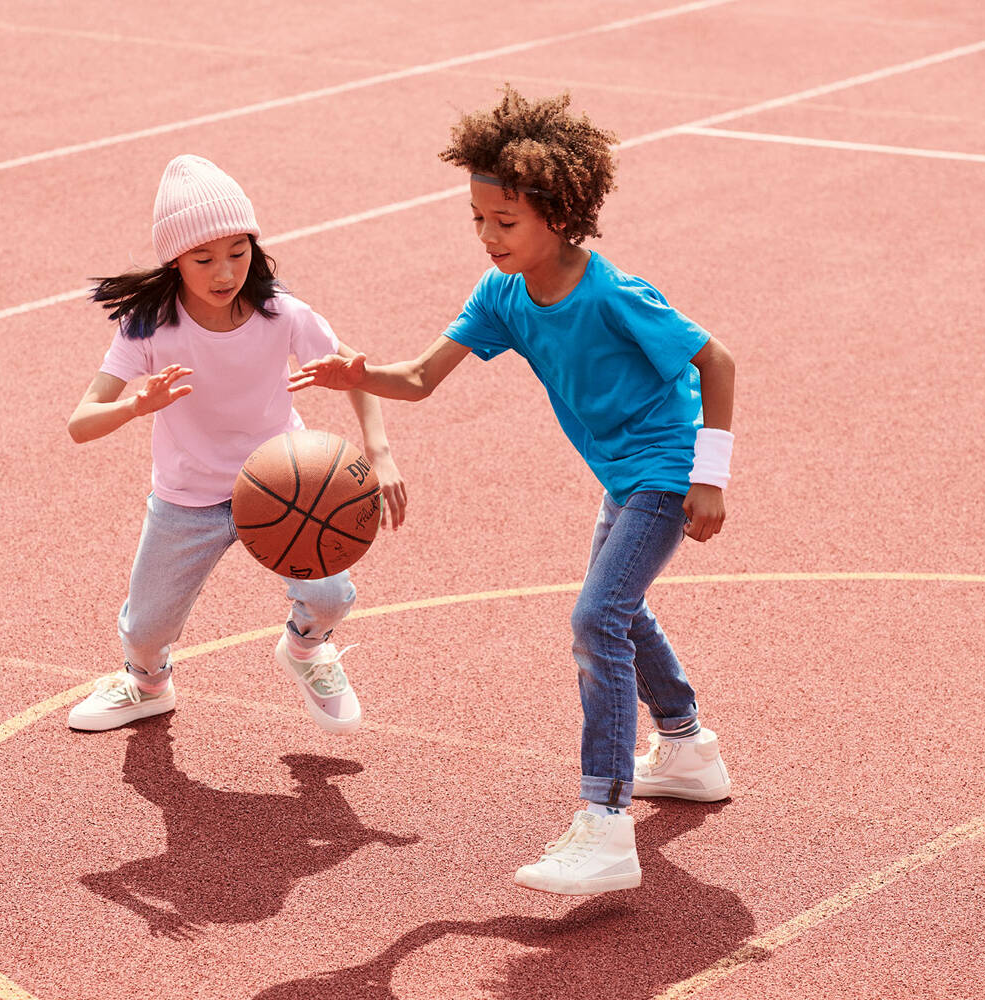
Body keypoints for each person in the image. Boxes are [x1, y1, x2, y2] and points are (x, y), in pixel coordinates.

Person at [290, 87, 735, 895]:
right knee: (620, 611)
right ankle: (688, 748)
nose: (489, 237)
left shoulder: (613, 294)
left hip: (666, 474)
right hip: (622, 476)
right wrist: (359, 375)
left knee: (597, 616)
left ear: (560, 216)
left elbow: (718, 362)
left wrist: (712, 476)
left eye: (505, 221)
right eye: (478, 220)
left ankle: (605, 822)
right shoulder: (502, 295)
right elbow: (421, 378)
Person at [67, 153, 406, 735]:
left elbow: (356, 374)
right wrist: (135, 406)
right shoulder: (148, 326)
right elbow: (81, 421)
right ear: (175, 258)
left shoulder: (282, 313)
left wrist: (380, 454)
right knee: (146, 630)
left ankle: (306, 650)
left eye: (238, 252)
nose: (224, 272)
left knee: (330, 596)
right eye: (204, 258)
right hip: (188, 495)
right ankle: (148, 685)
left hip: (281, 481)